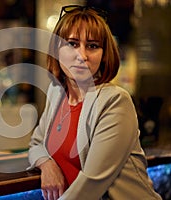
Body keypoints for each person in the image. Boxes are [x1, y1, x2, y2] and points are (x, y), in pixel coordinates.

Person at [27, 5, 162, 200]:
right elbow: (36, 143)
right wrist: (47, 165)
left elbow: (92, 182)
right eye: (72, 43)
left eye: (92, 45)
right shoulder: (56, 93)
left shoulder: (115, 101)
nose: (82, 55)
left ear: (104, 54)